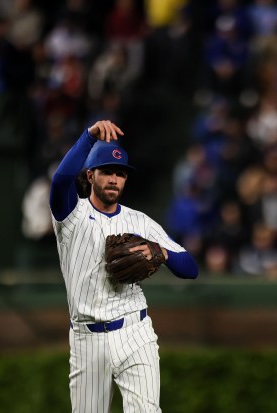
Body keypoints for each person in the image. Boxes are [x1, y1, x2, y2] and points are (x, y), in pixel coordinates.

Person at [49, 120, 199, 413]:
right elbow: (60, 180)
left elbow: (190, 268)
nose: (115, 179)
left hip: (135, 330)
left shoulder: (139, 221)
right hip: (86, 337)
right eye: (107, 172)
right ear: (90, 175)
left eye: (120, 173)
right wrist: (88, 137)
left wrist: (161, 252)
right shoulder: (71, 214)